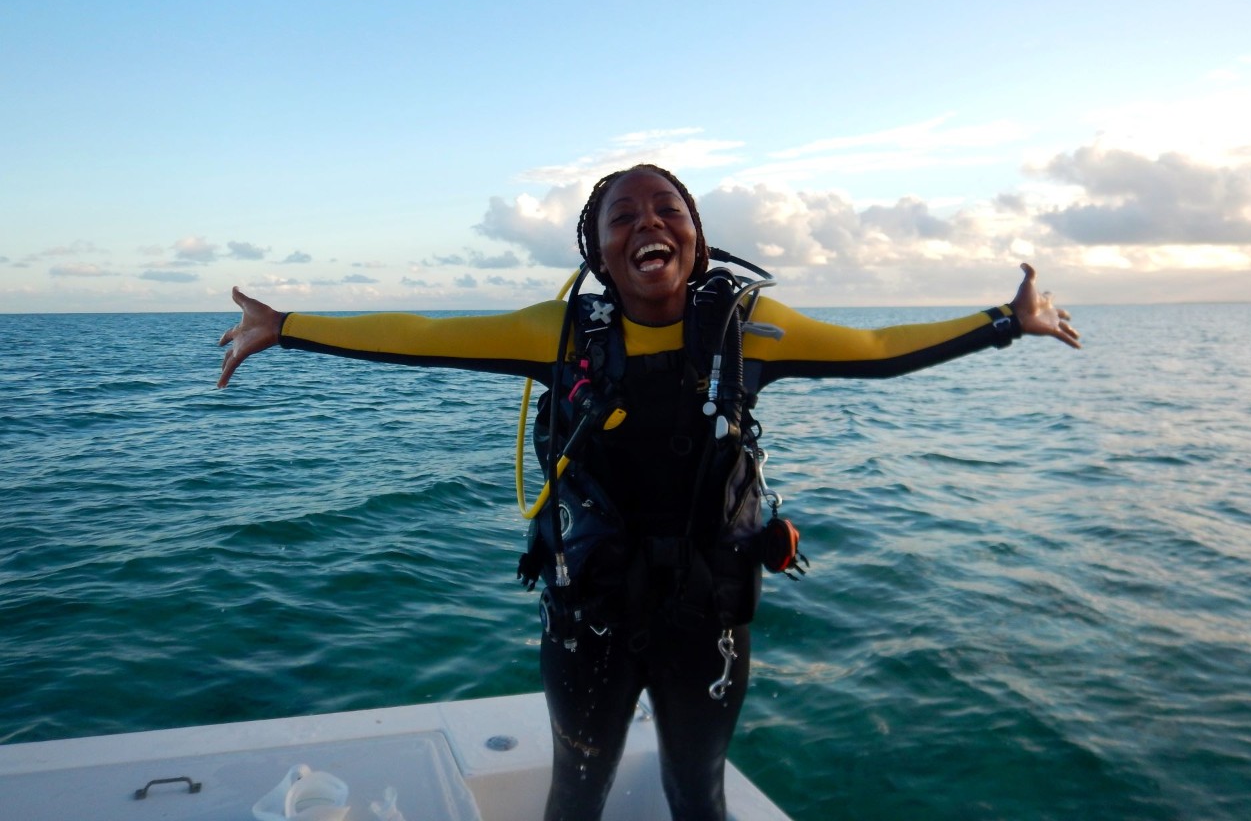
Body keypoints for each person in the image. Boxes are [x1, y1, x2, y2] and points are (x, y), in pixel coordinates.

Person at [218, 164, 1080, 821]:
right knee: (575, 793)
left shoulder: (752, 330)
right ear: (597, 252)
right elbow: (426, 333)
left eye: (668, 209)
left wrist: (1004, 322)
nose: (648, 224)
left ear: (697, 238)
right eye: (622, 216)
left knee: (698, 794)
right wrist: (288, 328)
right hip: (588, 613)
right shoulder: (557, 332)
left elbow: (877, 345)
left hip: (708, 617)